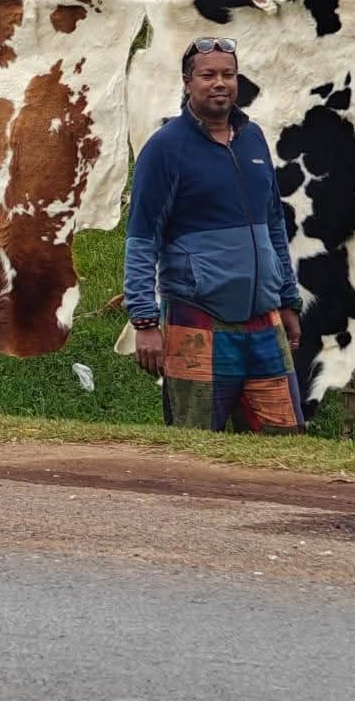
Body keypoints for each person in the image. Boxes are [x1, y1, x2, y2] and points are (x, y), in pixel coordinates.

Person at [123, 37, 306, 433]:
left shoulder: (253, 138)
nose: (219, 83)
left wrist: (288, 299)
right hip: (198, 318)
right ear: (188, 82)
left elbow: (273, 223)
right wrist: (144, 322)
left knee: (285, 439)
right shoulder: (166, 148)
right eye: (207, 75)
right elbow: (141, 238)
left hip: (264, 318)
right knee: (196, 449)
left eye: (228, 74)